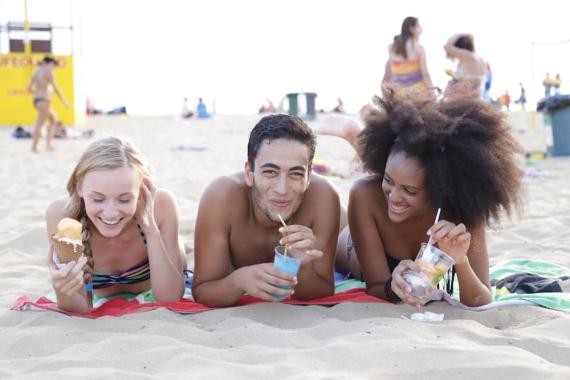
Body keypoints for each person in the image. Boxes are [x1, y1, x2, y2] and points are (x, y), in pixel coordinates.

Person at [334, 87, 523, 308]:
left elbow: (482, 300)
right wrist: (391, 286)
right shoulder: (364, 194)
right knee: (341, 223)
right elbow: (376, 286)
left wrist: (461, 262)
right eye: (388, 180)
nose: (394, 197)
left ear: (439, 189)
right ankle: (354, 136)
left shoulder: (464, 212)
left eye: (410, 191)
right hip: (349, 246)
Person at [192, 114, 340, 307]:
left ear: (309, 177)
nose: (282, 189)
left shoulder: (324, 196)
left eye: (296, 174)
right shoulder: (221, 196)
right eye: (270, 172)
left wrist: (303, 268)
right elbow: (203, 291)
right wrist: (239, 280)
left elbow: (323, 291)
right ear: (249, 173)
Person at [46, 137, 185, 314]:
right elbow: (79, 309)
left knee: (183, 252)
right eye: (97, 199)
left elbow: (170, 298)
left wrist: (150, 230)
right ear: (78, 186)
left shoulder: (161, 205)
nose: (110, 212)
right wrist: (61, 287)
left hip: (168, 251)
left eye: (124, 199)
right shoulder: (64, 217)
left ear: (142, 189)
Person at [27, 56, 69, 152]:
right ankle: (34, 147)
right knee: (39, 124)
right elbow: (56, 88)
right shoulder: (49, 72)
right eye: (54, 65)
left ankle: (48, 145)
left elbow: (29, 89)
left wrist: (38, 94)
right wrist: (64, 101)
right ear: (50, 63)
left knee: (53, 119)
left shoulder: (36, 72)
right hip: (44, 100)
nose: (54, 67)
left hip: (37, 100)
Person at [382, 17, 432, 90]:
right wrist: (431, 90)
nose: (421, 30)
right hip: (416, 91)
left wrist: (384, 90)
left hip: (397, 91)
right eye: (418, 26)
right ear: (411, 29)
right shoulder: (419, 48)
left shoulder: (392, 47)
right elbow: (425, 74)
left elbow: (387, 71)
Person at [443, 34, 488, 99]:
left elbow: (447, 47)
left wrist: (458, 34)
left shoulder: (467, 55)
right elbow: (477, 80)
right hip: (476, 96)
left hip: (462, 96)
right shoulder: (481, 60)